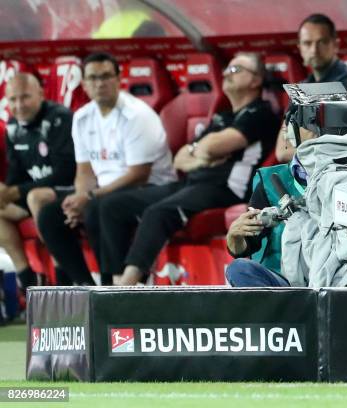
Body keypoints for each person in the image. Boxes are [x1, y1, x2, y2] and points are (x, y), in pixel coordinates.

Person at [99, 52, 280, 285]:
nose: (226, 74)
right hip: (192, 182)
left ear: (256, 80)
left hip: (226, 187)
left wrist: (203, 151)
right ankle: (111, 284)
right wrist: (203, 156)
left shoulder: (260, 113)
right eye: (226, 70)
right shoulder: (222, 117)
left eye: (236, 70)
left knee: (158, 213)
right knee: (111, 206)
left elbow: (215, 145)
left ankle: (127, 286)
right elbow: (181, 159)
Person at [35, 52, 176, 286]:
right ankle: (85, 286)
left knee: (100, 207)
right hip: (104, 191)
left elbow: (138, 174)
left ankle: (111, 284)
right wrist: (80, 196)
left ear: (119, 79)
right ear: (84, 84)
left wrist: (90, 197)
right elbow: (85, 171)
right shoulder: (82, 117)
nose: (99, 83)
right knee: (50, 215)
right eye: (92, 78)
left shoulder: (137, 115)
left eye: (106, 76)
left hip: (152, 187)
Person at [0, 73, 75, 289]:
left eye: (25, 97)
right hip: (33, 192)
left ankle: (63, 283)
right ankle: (28, 280)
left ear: (40, 94)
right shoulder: (13, 127)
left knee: (36, 198)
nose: (18, 105)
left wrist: (17, 192)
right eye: (13, 100)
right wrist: (6, 191)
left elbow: (66, 172)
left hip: (67, 189)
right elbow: (16, 173)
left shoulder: (59, 118)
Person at [225, 128, 314, 287]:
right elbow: (246, 245)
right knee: (239, 269)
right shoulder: (270, 180)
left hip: (342, 281)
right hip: (288, 287)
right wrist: (234, 237)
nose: (286, 126)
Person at [274, 13, 347, 163]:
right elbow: (282, 151)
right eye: (307, 43)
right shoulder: (300, 88)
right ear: (300, 48)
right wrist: (313, 144)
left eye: (321, 42)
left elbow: (340, 150)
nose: (314, 50)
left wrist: (303, 144)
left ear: (335, 44)